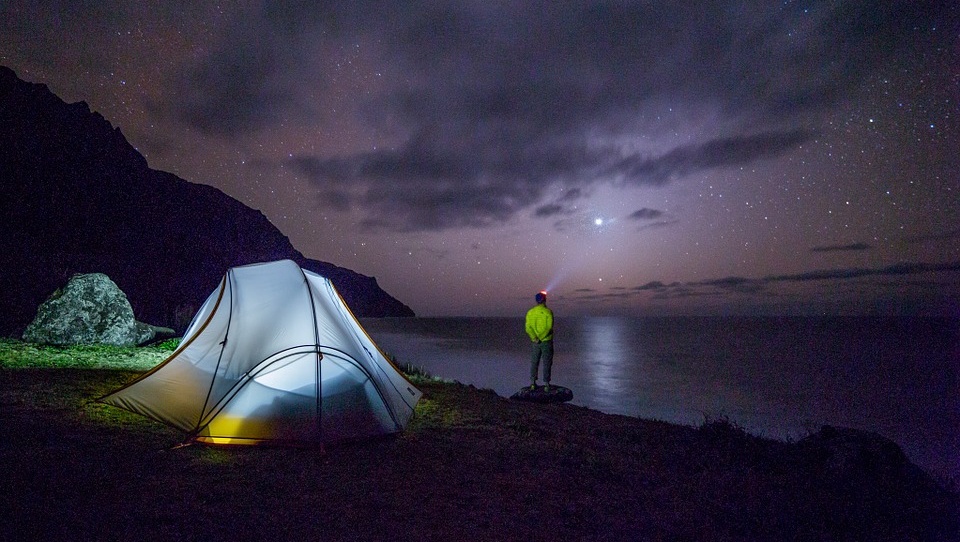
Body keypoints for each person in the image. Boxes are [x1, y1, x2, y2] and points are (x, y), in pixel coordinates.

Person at [525, 290, 554, 391]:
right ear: (544, 300)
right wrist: (541, 338)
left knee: (534, 361)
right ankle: (546, 384)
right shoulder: (548, 312)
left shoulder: (530, 312)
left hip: (535, 342)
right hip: (546, 341)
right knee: (547, 362)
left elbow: (528, 327)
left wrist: (534, 338)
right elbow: (549, 327)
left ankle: (533, 383)